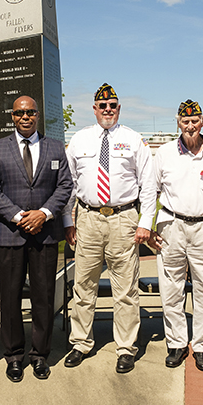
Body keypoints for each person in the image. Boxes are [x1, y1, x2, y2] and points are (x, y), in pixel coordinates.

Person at [62, 83, 156, 374]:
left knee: (125, 289)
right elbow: (69, 184)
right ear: (94, 109)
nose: (107, 110)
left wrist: (145, 222)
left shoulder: (133, 139)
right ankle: (80, 342)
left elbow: (148, 184)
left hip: (123, 219)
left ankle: (126, 348)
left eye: (112, 105)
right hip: (88, 219)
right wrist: (67, 220)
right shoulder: (79, 139)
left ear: (119, 108)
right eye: (102, 106)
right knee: (83, 285)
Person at [0, 96, 73, 382]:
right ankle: (13, 356)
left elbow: (65, 186)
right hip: (10, 233)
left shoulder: (55, 147)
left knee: (43, 297)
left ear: (38, 115)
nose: (25, 117)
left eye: (31, 112)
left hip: (45, 235)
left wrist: (44, 214)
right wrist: (19, 216)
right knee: (9, 298)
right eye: (20, 113)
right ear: (13, 116)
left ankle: (39, 355)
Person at [150, 100, 203, 371]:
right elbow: (151, 192)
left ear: (202, 121)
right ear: (178, 122)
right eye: (185, 121)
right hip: (171, 225)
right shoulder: (164, 153)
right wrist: (148, 226)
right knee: (171, 288)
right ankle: (176, 343)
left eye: (195, 121)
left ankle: (201, 346)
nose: (190, 126)